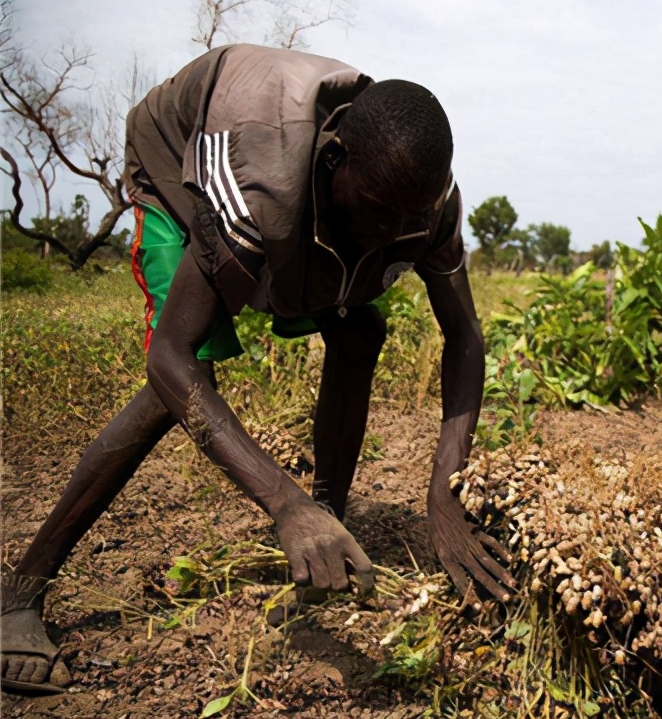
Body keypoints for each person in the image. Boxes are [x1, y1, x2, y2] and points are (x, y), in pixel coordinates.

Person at [1, 44, 515, 694]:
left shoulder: (421, 203)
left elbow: (464, 334)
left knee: (361, 326)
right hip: (174, 160)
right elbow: (170, 358)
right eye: (383, 212)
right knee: (183, 379)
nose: (395, 234)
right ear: (335, 164)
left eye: (411, 219)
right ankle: (20, 590)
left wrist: (445, 490)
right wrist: (282, 502)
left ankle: (328, 513)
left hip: (303, 204)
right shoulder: (254, 182)